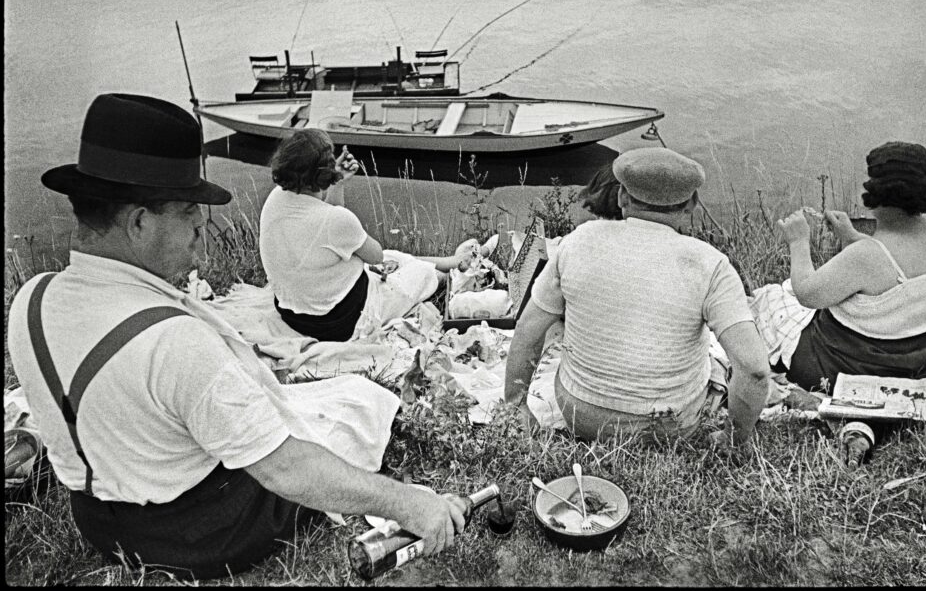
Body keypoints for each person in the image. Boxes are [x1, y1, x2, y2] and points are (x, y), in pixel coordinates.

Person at [6, 94, 465, 579]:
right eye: (191, 217)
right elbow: (286, 470)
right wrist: (410, 505)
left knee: (325, 399)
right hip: (197, 532)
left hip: (97, 522)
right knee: (354, 406)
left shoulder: (31, 300)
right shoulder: (175, 342)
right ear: (139, 222)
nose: (201, 239)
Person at [504, 148, 771, 449]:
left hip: (579, 414)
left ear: (622, 198)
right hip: (668, 427)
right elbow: (755, 370)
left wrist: (516, 406)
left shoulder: (578, 241)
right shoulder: (712, 264)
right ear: (692, 204)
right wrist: (734, 439)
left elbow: (528, 329)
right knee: (715, 362)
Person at [776, 141, 926, 394]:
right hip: (923, 356)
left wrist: (798, 241)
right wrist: (850, 235)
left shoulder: (865, 257)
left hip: (855, 365)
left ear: (878, 192)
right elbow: (893, 265)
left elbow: (807, 294)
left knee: (772, 302)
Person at [259, 129, 472, 342]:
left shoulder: (276, 199)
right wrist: (334, 180)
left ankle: (451, 262)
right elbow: (376, 256)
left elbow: (328, 226)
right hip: (341, 321)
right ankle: (447, 274)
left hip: (294, 315)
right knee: (410, 271)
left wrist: (337, 182)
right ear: (324, 172)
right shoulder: (337, 221)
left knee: (393, 257)